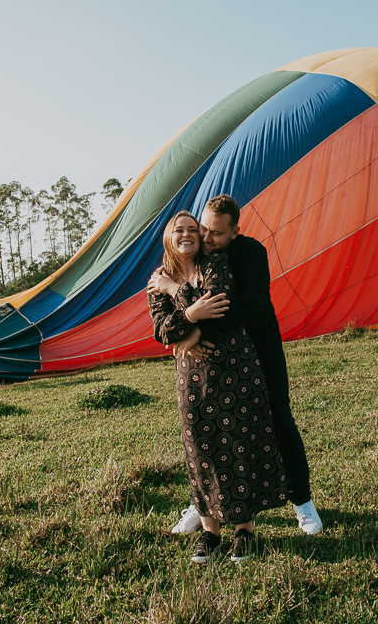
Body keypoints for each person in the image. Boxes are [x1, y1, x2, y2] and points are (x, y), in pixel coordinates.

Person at [152, 194, 324, 535]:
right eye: (203, 228)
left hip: (259, 344)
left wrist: (194, 332)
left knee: (279, 418)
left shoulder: (251, 252)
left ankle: (302, 501)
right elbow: (166, 323)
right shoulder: (193, 257)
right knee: (204, 430)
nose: (206, 237)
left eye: (216, 233)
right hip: (214, 357)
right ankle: (204, 504)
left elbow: (245, 305)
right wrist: (185, 319)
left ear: (235, 232)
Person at [148, 210, 288, 564]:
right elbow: (163, 331)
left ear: (200, 236)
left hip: (234, 368)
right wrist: (190, 315)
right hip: (192, 378)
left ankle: (245, 531)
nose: (186, 234)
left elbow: (219, 303)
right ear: (169, 238)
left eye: (192, 229)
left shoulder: (215, 265)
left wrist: (176, 294)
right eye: (178, 230)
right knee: (200, 447)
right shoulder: (158, 279)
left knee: (239, 441)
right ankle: (211, 534)